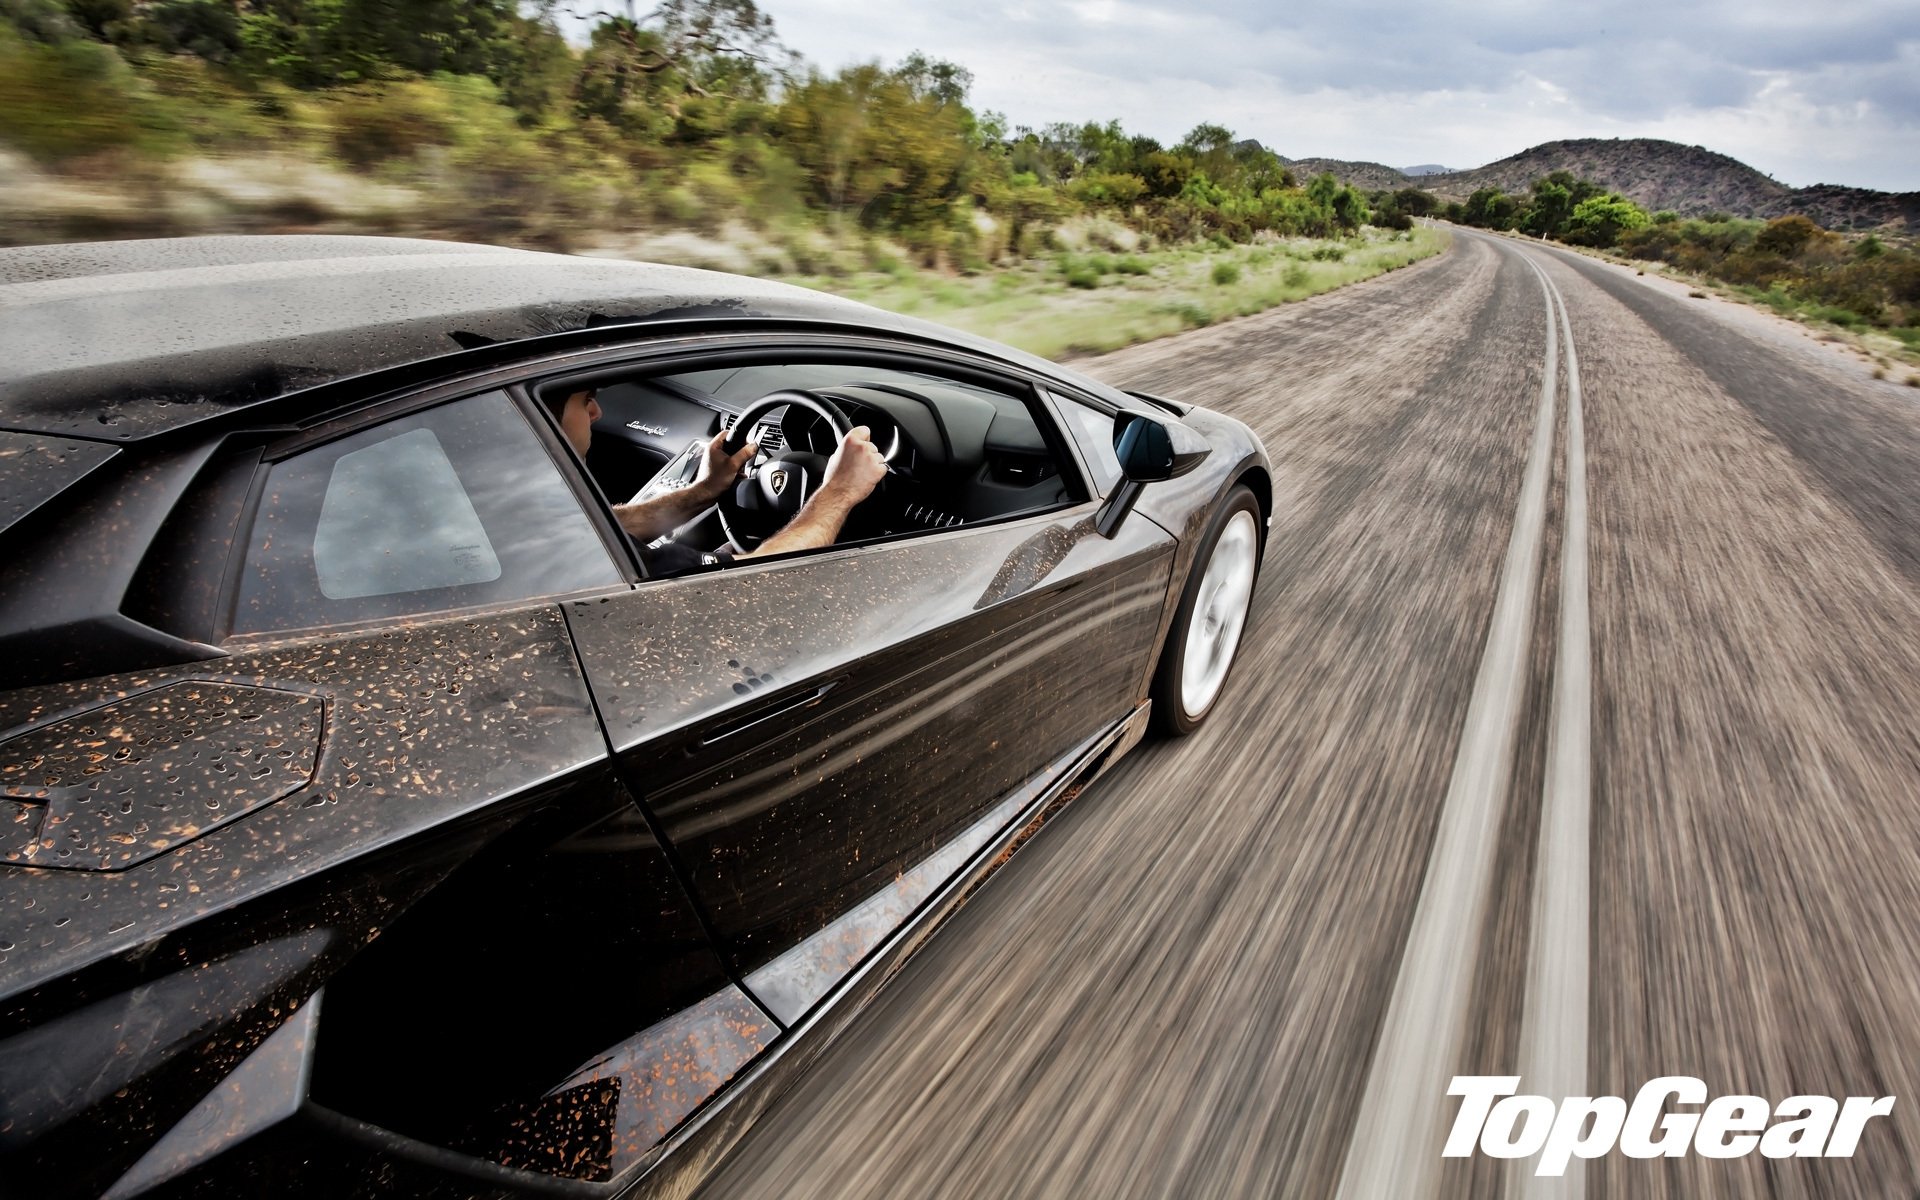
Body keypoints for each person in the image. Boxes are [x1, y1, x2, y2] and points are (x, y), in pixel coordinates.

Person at [549, 388, 887, 570]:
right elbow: (759, 576)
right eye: (586, 399)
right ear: (548, 418)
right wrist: (839, 492)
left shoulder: (533, 510)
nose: (597, 412)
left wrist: (705, 490)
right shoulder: (641, 569)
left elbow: (602, 527)